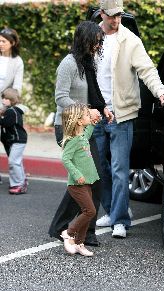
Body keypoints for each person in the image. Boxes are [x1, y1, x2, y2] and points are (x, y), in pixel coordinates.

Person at [95, 0, 164, 238]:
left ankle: (120, 220)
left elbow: (147, 69)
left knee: (120, 168)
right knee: (99, 167)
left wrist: (160, 91)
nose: (116, 20)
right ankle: (112, 208)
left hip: (121, 113)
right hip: (95, 113)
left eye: (119, 15)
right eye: (112, 16)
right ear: (102, 14)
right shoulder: (91, 37)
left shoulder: (130, 40)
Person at [48, 21, 113, 247]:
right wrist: (86, 110)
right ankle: (71, 228)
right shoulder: (68, 64)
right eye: (95, 41)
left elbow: (93, 93)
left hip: (84, 128)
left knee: (91, 178)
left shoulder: (87, 62)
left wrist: (103, 108)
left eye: (99, 42)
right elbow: (61, 98)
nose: (97, 45)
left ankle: (77, 230)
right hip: (67, 129)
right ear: (83, 40)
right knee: (87, 178)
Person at [61, 103, 100, 256]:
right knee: (90, 211)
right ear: (78, 121)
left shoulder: (82, 136)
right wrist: (77, 174)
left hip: (86, 183)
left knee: (86, 211)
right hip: (77, 184)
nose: (89, 117)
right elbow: (65, 158)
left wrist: (93, 124)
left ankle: (79, 243)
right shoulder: (73, 140)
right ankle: (69, 233)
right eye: (86, 116)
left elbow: (88, 134)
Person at [0, 28, 24, 184]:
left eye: (3, 41)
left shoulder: (17, 62)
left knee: (10, 143)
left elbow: (16, 89)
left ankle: (19, 179)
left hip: (6, 105)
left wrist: (4, 106)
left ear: (12, 43)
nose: (0, 44)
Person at [0, 88, 28, 194]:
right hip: (16, 140)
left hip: (18, 140)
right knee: (17, 161)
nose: (4, 100)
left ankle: (18, 184)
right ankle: (22, 180)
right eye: (3, 98)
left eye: (6, 98)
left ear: (12, 100)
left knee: (13, 161)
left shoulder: (12, 111)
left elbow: (6, 123)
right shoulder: (11, 111)